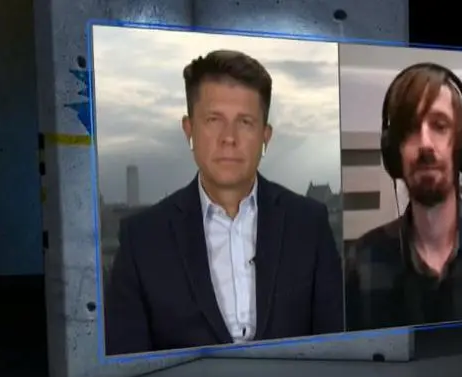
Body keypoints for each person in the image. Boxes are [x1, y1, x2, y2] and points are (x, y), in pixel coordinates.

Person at [103, 50, 345, 355]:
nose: (228, 138)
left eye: (245, 122)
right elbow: (127, 363)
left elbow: (336, 348)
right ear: (189, 130)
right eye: (213, 120)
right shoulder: (142, 239)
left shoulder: (309, 223)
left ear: (265, 136)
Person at [344, 62, 462, 331]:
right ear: (394, 152)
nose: (425, 144)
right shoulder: (363, 263)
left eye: (440, 126)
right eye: (410, 129)